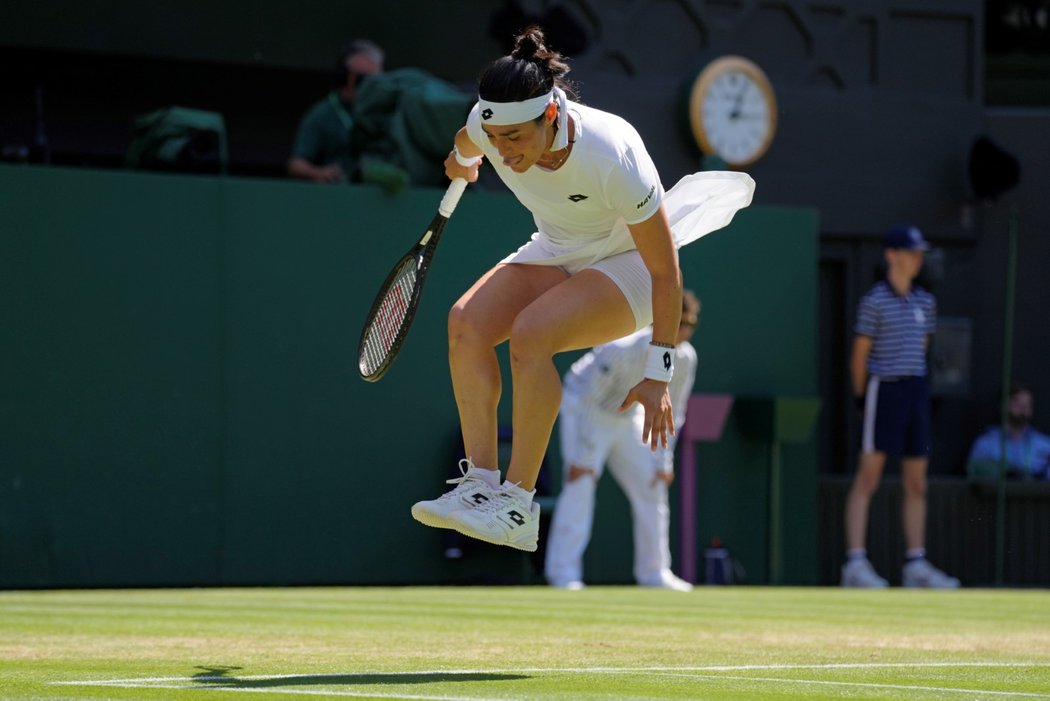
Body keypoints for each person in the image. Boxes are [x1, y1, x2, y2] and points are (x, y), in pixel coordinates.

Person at [409, 26, 754, 553]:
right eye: (495, 140)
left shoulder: (611, 152)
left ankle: (517, 505)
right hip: (560, 249)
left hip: (633, 265)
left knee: (531, 334)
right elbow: (468, 141)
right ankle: (480, 487)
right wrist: (464, 159)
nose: (504, 151)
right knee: (466, 324)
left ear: (550, 115)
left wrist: (657, 373)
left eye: (514, 140)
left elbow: (666, 272)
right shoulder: (490, 125)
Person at [544, 290, 701, 591]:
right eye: (679, 323)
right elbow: (592, 398)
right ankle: (563, 573)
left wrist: (662, 461)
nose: (684, 332)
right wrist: (584, 458)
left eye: (690, 325)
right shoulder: (623, 347)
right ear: (659, 323)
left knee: (653, 484)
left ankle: (655, 572)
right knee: (581, 483)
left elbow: (673, 412)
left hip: (628, 418)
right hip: (585, 408)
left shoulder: (685, 358)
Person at [840, 224, 960, 588]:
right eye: (910, 251)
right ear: (891, 254)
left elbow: (921, 348)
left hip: (916, 392)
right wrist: (863, 399)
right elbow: (858, 359)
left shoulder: (927, 301)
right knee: (869, 478)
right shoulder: (874, 301)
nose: (916, 259)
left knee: (917, 482)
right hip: (884, 391)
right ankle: (855, 565)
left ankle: (915, 564)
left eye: (920, 253)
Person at [287, 40, 385, 184]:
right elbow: (295, 164)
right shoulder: (323, 114)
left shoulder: (386, 113)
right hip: (337, 193)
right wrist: (318, 172)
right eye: (362, 80)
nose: (369, 88)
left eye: (376, 82)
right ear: (344, 77)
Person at [966, 383, 1050, 481]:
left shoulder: (1045, 444)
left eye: (1027, 404)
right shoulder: (985, 444)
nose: (1023, 408)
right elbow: (973, 479)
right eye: (1017, 403)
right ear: (1003, 405)